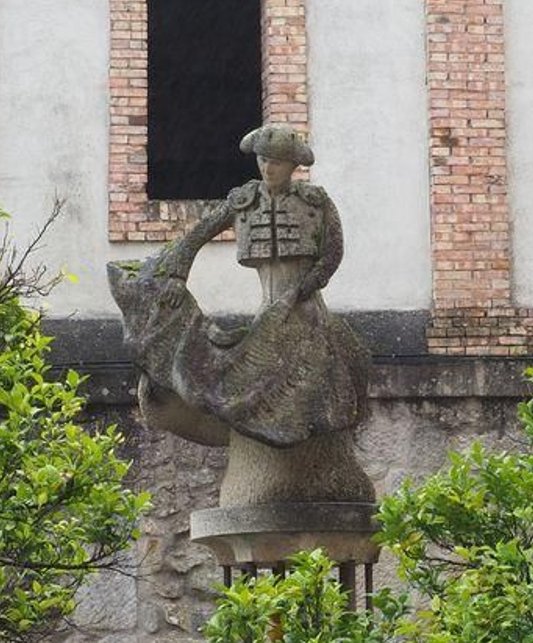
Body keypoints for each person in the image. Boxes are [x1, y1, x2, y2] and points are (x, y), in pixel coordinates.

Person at [108, 125, 371, 451]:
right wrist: (175, 276)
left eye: (276, 161)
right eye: (262, 160)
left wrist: (309, 284)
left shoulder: (315, 203)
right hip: (268, 309)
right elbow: (196, 235)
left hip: (306, 309)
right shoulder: (245, 201)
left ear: (292, 166)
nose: (268, 168)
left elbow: (333, 253)